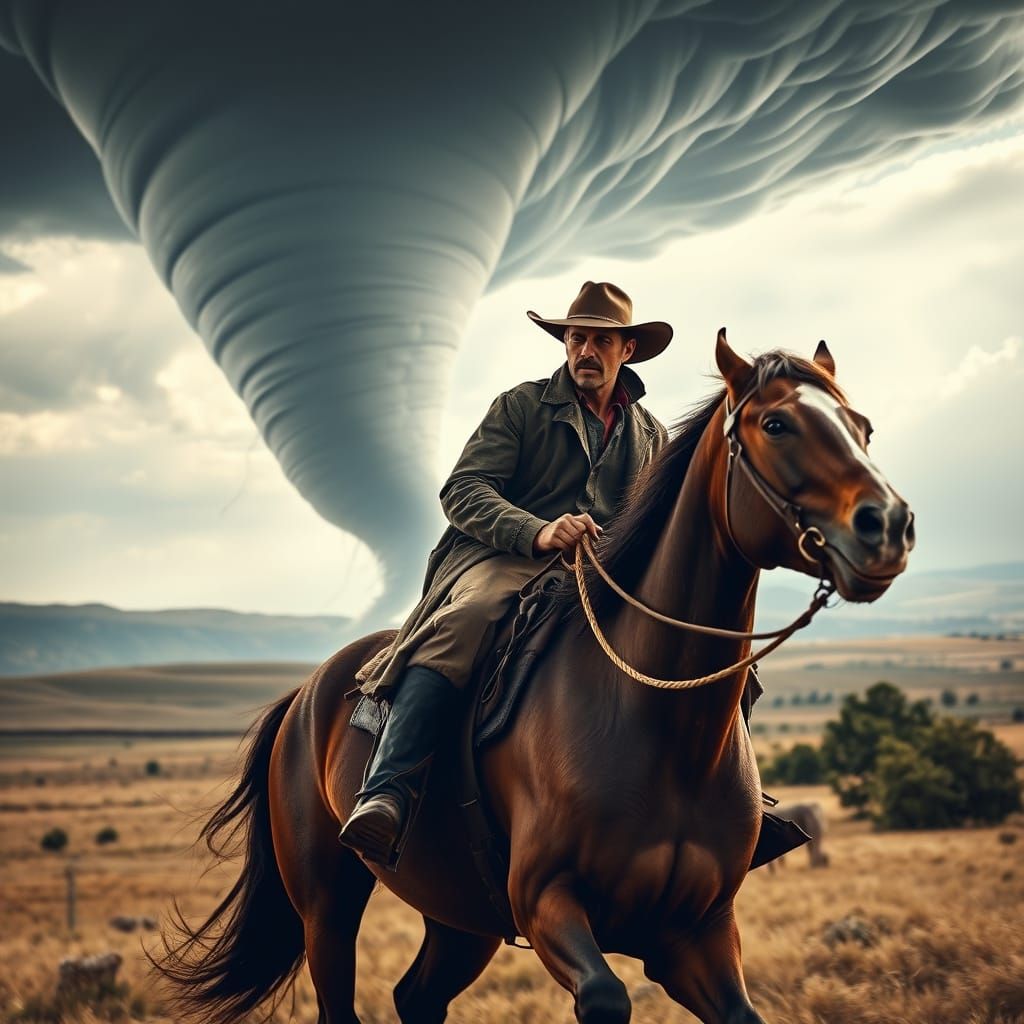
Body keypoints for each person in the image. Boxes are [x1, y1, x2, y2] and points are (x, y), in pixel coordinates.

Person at [339, 281, 673, 867]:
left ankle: (730, 804)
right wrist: (538, 531)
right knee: (466, 619)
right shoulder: (520, 407)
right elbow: (462, 490)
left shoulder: (651, 436)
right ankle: (387, 790)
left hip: (602, 573)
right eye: (575, 338)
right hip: (503, 559)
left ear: (628, 351)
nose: (585, 352)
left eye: (599, 340)